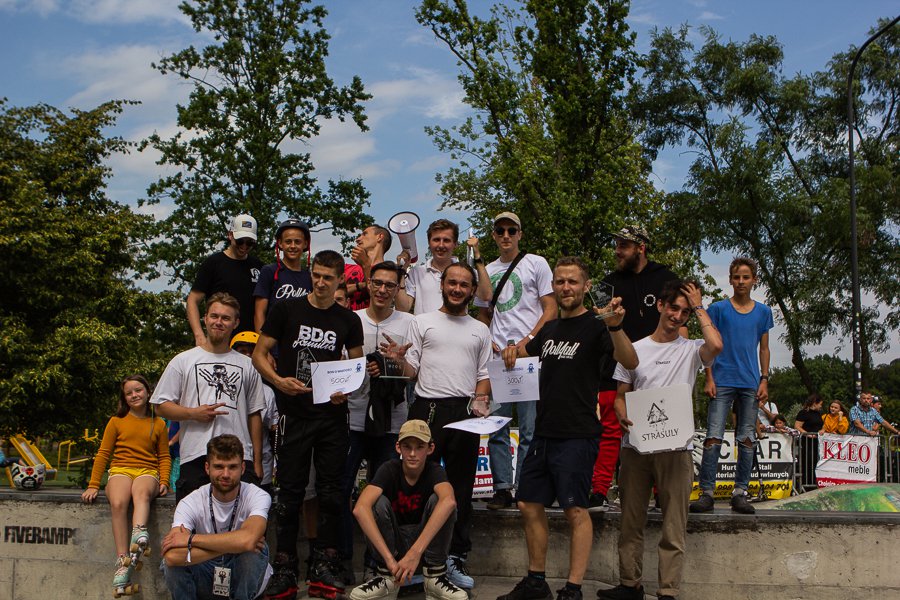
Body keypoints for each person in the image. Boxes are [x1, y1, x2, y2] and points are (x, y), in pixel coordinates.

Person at [497, 257, 638, 600]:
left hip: (578, 434)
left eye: (573, 281)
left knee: (575, 510)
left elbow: (630, 361)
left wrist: (616, 327)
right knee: (528, 503)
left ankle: (573, 589)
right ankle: (536, 582)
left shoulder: (597, 326)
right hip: (544, 433)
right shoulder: (549, 330)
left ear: (586, 286)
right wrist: (511, 351)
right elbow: (522, 353)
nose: (565, 287)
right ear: (553, 287)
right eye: (560, 282)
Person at [252, 250, 365, 600]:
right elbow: (258, 354)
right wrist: (278, 381)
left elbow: (357, 367)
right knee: (289, 493)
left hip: (331, 418)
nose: (320, 282)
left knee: (331, 493)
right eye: (316, 275)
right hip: (293, 414)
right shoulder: (287, 309)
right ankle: (285, 567)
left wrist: (345, 389)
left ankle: (324, 564)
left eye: (328, 277)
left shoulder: (348, 319)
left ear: (340, 280)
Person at [599, 279, 722, 600]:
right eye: (673, 308)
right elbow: (620, 396)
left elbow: (716, 345)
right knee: (630, 521)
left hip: (676, 449)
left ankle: (667, 591)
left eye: (684, 312)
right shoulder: (635, 349)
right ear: (660, 306)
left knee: (673, 526)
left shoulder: (691, 350)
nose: (677, 316)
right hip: (636, 447)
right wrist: (621, 413)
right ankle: (630, 585)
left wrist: (699, 306)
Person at [385, 261, 492, 589]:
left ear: (472, 291)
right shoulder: (422, 322)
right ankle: (412, 559)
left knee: (461, 489)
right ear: (442, 285)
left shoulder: (480, 329)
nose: (457, 289)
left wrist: (481, 399)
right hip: (426, 411)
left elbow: (484, 375)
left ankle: (453, 557)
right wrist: (398, 361)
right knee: (415, 486)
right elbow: (412, 371)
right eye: (452, 283)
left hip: (464, 412)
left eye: (464, 284)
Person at [591, 225, 681, 510]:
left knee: (657, 430)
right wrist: (603, 311)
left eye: (623, 245)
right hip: (612, 366)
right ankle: (599, 490)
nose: (617, 251)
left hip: (655, 370)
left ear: (640, 247)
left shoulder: (667, 278)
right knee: (609, 431)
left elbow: (681, 322)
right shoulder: (604, 285)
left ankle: (660, 493)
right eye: (616, 245)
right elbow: (597, 326)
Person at [474, 212, 556, 510]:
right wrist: (487, 339)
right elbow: (483, 312)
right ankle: (502, 488)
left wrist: (528, 342)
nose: (506, 235)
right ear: (494, 235)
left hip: (529, 359)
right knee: (497, 426)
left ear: (520, 233)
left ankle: (525, 485)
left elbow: (550, 309)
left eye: (511, 230)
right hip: (498, 359)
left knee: (530, 428)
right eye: (500, 231)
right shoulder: (488, 270)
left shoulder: (536, 263)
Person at [152, 292, 266, 503]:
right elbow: (160, 406)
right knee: (193, 519)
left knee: (243, 519)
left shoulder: (248, 365)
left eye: (226, 318)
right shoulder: (183, 360)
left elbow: (254, 414)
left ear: (235, 323)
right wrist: (192, 413)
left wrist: (257, 461)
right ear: (205, 318)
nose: (219, 322)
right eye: (214, 316)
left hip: (239, 457)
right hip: (196, 455)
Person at [340, 261, 414, 572]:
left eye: (390, 285)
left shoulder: (409, 323)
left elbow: (414, 375)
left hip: (391, 423)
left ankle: (377, 563)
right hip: (352, 418)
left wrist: (394, 363)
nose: (383, 290)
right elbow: (338, 368)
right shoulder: (350, 319)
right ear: (369, 284)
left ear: (398, 289)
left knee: (383, 495)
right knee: (341, 490)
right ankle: (342, 560)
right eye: (378, 283)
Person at [348, 420, 466, 600]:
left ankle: (435, 578)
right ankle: (386, 578)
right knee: (376, 502)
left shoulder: (434, 470)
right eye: (407, 447)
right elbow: (360, 508)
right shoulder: (389, 469)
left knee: (442, 501)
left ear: (430, 448)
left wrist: (414, 553)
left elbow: (449, 502)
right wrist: (389, 560)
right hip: (394, 553)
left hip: (424, 552)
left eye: (419, 447)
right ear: (398, 448)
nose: (412, 454)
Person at [691, 257, 773, 515]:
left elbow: (764, 348)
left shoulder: (763, 312)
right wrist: (709, 377)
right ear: (730, 279)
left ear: (754, 280)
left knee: (747, 439)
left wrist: (764, 378)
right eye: (737, 277)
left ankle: (740, 492)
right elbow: (708, 343)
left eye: (746, 277)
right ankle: (706, 492)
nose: (741, 282)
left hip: (750, 382)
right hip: (722, 380)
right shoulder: (718, 309)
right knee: (713, 437)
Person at [82, 375, 171, 594]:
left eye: (138, 390)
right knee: (119, 502)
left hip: (147, 471)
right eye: (129, 393)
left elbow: (164, 456)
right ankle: (123, 562)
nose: (134, 395)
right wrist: (93, 484)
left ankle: (139, 532)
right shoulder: (116, 421)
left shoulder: (158, 423)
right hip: (121, 469)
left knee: (141, 493)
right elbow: (103, 454)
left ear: (148, 392)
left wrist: (164, 480)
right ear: (124, 398)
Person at [162, 435, 272, 600]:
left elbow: (248, 540)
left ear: (243, 468)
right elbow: (172, 556)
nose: (226, 474)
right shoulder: (190, 502)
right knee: (172, 565)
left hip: (240, 572)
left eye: (232, 467)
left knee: (255, 553)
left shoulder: (257, 496)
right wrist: (235, 544)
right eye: (219, 466)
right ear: (207, 468)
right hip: (205, 572)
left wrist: (191, 539)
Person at [187, 214, 263, 344]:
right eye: (240, 241)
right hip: (219, 340)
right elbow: (192, 300)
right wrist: (199, 335)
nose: (244, 246)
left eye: (249, 242)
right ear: (230, 235)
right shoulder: (213, 263)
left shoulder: (259, 267)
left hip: (249, 343)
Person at [230, 331, 279, 496]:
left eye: (252, 352)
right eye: (242, 351)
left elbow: (274, 430)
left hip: (260, 461)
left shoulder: (268, 392)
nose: (247, 356)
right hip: (229, 461)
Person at [253, 218, 312, 332]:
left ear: (305, 244)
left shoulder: (310, 277)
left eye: (297, 242)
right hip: (273, 338)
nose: (293, 246)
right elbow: (259, 313)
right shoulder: (269, 271)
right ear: (280, 243)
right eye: (288, 241)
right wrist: (261, 342)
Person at [394, 219, 460, 315]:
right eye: (436, 240)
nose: (441, 245)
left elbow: (483, 298)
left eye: (446, 240)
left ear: (455, 244)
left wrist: (478, 261)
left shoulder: (466, 274)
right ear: (429, 243)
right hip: (422, 325)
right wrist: (402, 270)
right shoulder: (416, 272)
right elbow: (402, 309)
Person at [345, 224, 393, 310]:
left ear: (380, 237)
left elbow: (377, 294)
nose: (357, 239)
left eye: (365, 234)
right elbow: (330, 292)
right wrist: (362, 285)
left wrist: (366, 265)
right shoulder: (346, 268)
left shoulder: (390, 273)